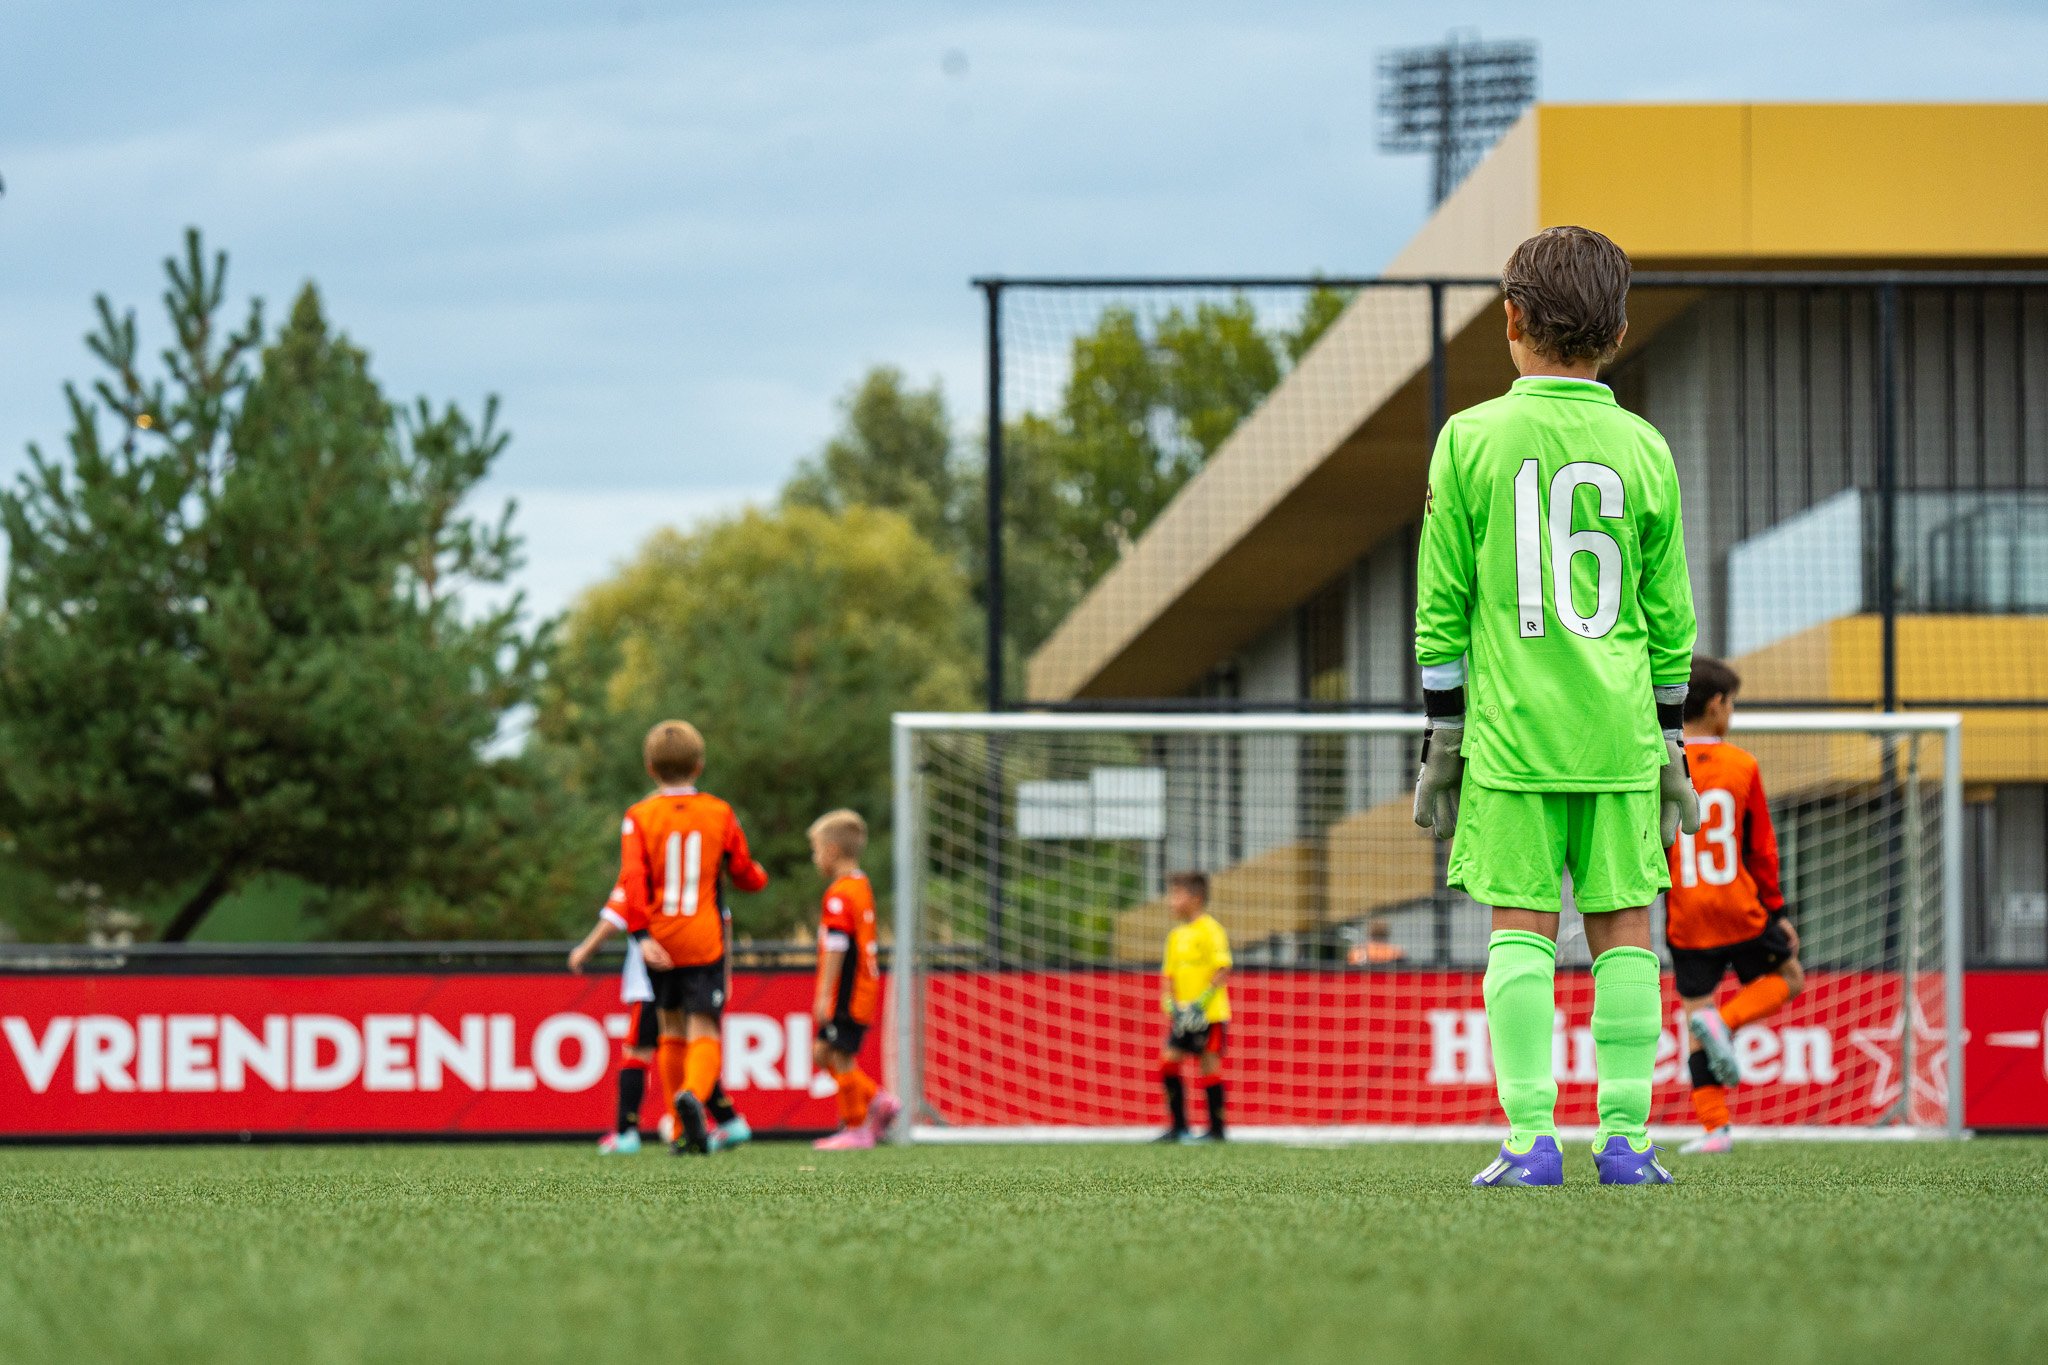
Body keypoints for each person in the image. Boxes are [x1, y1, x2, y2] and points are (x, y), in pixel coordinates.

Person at [1412, 225, 1699, 1187]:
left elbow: (1440, 604)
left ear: (1511, 320)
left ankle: (1530, 1141)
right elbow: (1671, 616)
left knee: (1520, 931)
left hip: (1510, 740)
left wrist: (1442, 735)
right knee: (1627, 932)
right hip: (1619, 737)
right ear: (1618, 329)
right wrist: (1671, 742)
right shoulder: (1645, 448)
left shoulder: (1470, 439)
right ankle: (1627, 1141)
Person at [595, 720, 769, 1155]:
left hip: (660, 940)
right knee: (704, 1028)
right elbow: (745, 872)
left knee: (669, 1025)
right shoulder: (720, 813)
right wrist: (758, 877)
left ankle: (678, 1122)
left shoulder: (638, 816)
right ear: (699, 765)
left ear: (650, 768)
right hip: (704, 937)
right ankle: (693, 1094)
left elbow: (632, 878)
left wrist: (639, 934)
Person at [1665, 655, 1801, 1155]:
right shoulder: (1742, 764)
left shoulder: (1661, 763)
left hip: (1687, 913)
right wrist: (1778, 910)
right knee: (1789, 978)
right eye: (1733, 703)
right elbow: (1761, 847)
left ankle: (1714, 1129)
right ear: (1718, 705)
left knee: (1696, 1020)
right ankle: (1730, 1021)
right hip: (1738, 906)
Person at [568, 877, 754, 1154]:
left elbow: (616, 915)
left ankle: (627, 1132)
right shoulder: (698, 873)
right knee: (693, 1047)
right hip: (698, 971)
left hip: (651, 981)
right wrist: (725, 976)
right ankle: (726, 1120)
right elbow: (724, 918)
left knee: (638, 1051)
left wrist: (584, 950)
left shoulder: (642, 869)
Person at [806, 809, 900, 1150]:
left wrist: (823, 995)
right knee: (822, 1053)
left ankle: (857, 1127)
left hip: (846, 991)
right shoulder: (861, 885)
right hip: (862, 988)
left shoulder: (839, 893)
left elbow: (836, 946)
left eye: (816, 850)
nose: (816, 858)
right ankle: (878, 1100)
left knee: (839, 1055)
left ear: (831, 851)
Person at [1154, 872, 1231, 1144]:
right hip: (1183, 1016)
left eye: (1177, 895)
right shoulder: (1176, 935)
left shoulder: (1211, 929)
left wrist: (1202, 1003)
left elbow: (1222, 969)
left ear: (1196, 899)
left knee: (1208, 1064)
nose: (1171, 901)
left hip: (1209, 1014)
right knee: (1168, 1062)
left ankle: (1217, 1130)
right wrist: (1169, 1004)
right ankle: (1179, 1127)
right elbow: (1168, 976)